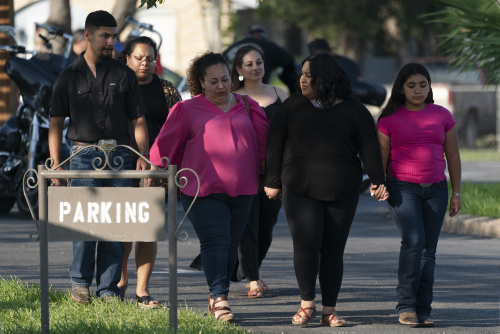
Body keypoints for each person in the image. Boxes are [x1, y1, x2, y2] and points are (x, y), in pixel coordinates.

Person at [264, 52, 388, 327]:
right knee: (306, 244)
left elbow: (369, 149)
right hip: (299, 186)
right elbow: (274, 145)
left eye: (309, 75)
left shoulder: (355, 110)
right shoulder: (292, 107)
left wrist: (378, 181)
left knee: (333, 249)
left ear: (326, 77)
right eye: (302, 74)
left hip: (342, 188)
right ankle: (306, 304)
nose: (303, 79)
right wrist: (271, 181)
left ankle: (329, 310)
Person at [148, 51, 270, 322]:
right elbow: (163, 149)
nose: (221, 86)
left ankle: (217, 295)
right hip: (201, 190)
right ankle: (220, 296)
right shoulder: (187, 110)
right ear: (201, 82)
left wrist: (268, 178)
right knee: (215, 241)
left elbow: (263, 146)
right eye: (213, 81)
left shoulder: (248, 106)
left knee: (230, 245)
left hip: (243, 190)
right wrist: (154, 169)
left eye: (225, 80)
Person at [48, 10, 149, 303]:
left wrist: (143, 155)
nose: (111, 42)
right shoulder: (67, 77)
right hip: (81, 155)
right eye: (105, 35)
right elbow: (56, 123)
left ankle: (108, 289)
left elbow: (138, 121)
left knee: (114, 227)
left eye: (114, 36)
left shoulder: (125, 75)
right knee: (84, 226)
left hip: (120, 155)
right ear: (87, 35)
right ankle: (80, 284)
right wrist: (56, 163)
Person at [376, 63, 462, 327]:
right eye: (411, 85)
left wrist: (456, 192)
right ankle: (406, 306)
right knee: (414, 241)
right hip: (402, 188)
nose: (417, 90)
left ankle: (424, 309)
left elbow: (453, 156)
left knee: (429, 250)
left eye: (422, 85)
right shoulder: (388, 119)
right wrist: (378, 184)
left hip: (436, 188)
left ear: (429, 86)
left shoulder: (442, 115)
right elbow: (380, 158)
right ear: (401, 89)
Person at [116, 36, 182, 308]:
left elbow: (178, 129)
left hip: (156, 170)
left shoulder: (167, 89)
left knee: (147, 230)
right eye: (139, 57)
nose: (145, 63)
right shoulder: (116, 87)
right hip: (121, 165)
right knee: (122, 230)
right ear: (127, 58)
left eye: (150, 58)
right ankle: (118, 284)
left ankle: (142, 291)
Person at [230, 43, 288, 297]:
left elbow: (291, 132)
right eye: (250, 64)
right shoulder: (233, 97)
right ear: (239, 69)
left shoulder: (280, 93)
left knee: (266, 226)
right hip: (243, 171)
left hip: (274, 172)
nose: (256, 67)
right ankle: (253, 278)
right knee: (247, 226)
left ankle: (251, 270)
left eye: (259, 62)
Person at [223, 25, 297, 93]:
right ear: (261, 36)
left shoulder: (232, 47)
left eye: (259, 62)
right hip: (259, 93)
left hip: (230, 93)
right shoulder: (269, 46)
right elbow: (289, 60)